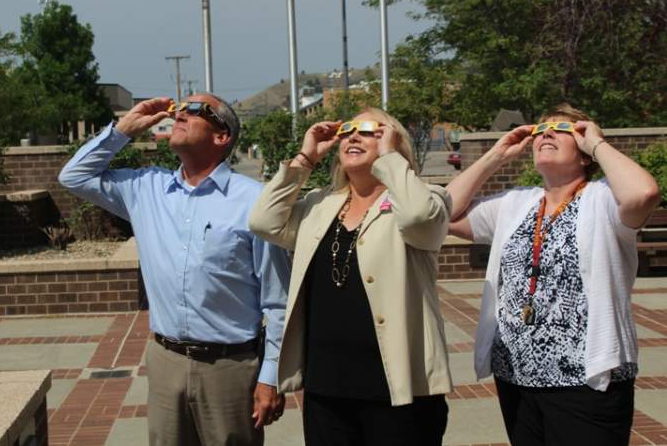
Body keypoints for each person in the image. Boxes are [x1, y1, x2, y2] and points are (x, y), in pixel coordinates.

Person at [59, 93, 291, 446]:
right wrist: (123, 129)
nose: (180, 113)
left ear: (222, 135)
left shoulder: (255, 201)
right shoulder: (144, 188)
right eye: (179, 108)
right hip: (165, 360)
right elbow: (74, 176)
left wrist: (270, 377)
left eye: (195, 110)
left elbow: (278, 302)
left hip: (230, 368)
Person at [446, 103, 660, 445]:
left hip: (586, 380)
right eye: (539, 131)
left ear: (584, 152)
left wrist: (598, 143)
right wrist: (496, 156)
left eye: (561, 130)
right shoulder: (516, 203)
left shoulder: (603, 199)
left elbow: (643, 193)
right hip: (516, 377)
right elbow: (444, 212)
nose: (545, 134)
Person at [248, 107, 453, 446]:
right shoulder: (319, 205)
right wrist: (305, 158)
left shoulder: (425, 197)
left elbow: (419, 219)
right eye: (347, 130)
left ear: (393, 141)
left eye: (370, 129)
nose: (353, 136)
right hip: (327, 385)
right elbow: (264, 222)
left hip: (397, 388)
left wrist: (389, 157)